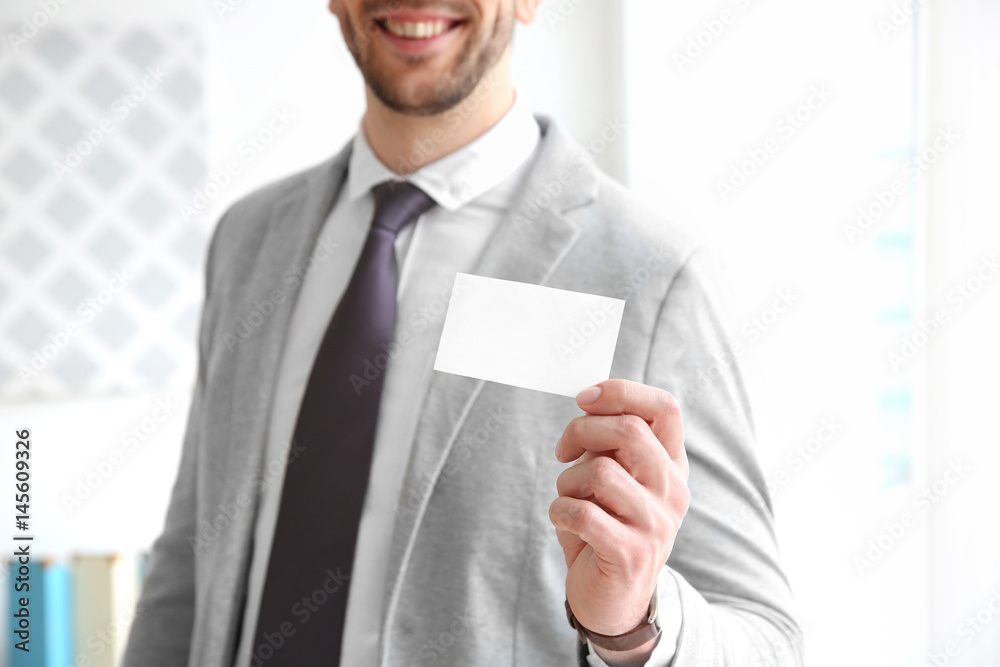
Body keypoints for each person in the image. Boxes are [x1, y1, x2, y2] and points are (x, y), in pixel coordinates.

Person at [123, 1, 803, 665]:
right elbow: (191, 559)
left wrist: (632, 625)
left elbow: (768, 640)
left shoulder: (653, 277)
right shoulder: (249, 240)